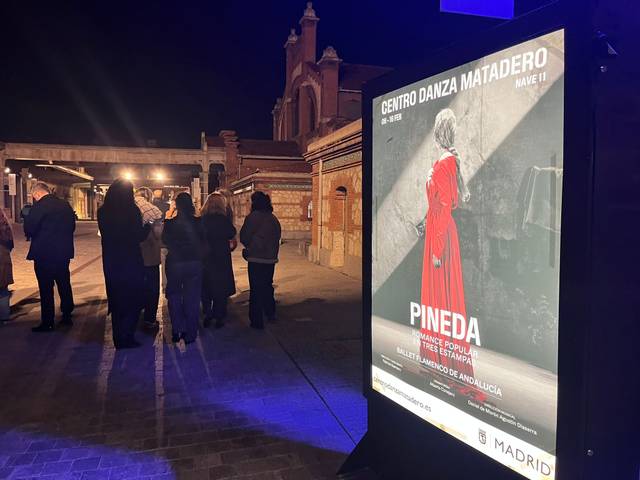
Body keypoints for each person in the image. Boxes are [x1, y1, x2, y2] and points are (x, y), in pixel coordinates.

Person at [420, 108, 475, 380]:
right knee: (441, 298)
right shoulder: (447, 162)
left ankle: (443, 361)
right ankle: (439, 359)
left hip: (440, 233)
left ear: (438, 133)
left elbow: (443, 205)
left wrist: (437, 249)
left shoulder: (444, 164)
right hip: (438, 229)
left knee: (441, 296)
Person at [98, 179, 149, 349]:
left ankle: (118, 337)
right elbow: (138, 236)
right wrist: (147, 228)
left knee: (117, 299)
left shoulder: (103, 212)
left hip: (112, 260)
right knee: (133, 299)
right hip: (131, 260)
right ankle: (128, 335)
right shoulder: (132, 211)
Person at [24, 182, 75, 332]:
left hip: (44, 253)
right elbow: (72, 227)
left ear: (37, 194)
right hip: (62, 252)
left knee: (46, 287)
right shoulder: (65, 205)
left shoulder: (38, 207)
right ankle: (67, 314)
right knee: (64, 282)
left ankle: (48, 320)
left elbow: (30, 229)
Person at [162, 192, 204, 344]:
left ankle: (177, 329)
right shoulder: (199, 222)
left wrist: (169, 216)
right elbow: (204, 241)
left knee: (174, 296)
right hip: (194, 262)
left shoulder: (170, 223)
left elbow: (164, 240)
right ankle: (191, 333)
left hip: (175, 263)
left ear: (177, 205)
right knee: (192, 298)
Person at [239, 191, 281, 329]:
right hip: (270, 259)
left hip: (256, 258)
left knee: (256, 289)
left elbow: (244, 237)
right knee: (267, 286)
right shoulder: (273, 219)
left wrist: (251, 246)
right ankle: (270, 312)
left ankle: (256, 321)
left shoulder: (252, 218)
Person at [200, 193, 236, 328]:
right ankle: (219, 316)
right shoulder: (223, 220)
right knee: (220, 287)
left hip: (206, 257)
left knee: (206, 286)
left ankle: (207, 313)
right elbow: (231, 233)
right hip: (221, 257)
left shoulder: (202, 220)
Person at [135, 187, 164, 329]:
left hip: (133, 256)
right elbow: (158, 234)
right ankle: (149, 318)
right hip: (150, 255)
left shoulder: (128, 208)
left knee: (136, 286)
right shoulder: (153, 210)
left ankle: (136, 314)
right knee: (152, 288)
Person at [0, 208, 14, 322]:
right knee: (3, 288)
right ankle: (4, 316)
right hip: (3, 258)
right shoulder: (6, 226)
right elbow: (11, 244)